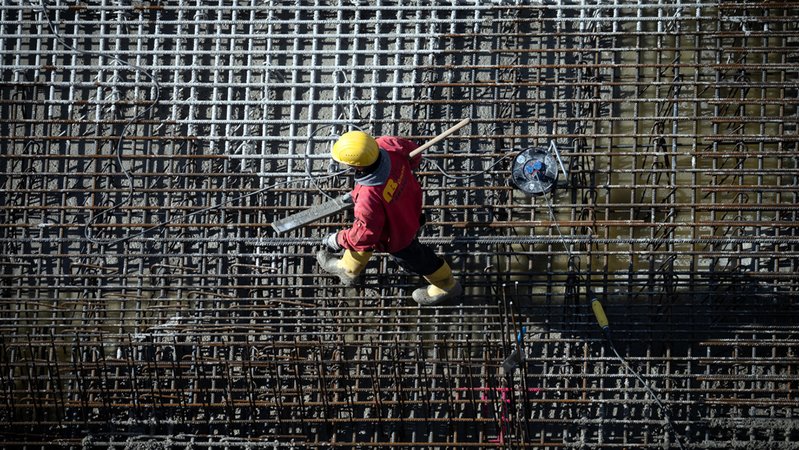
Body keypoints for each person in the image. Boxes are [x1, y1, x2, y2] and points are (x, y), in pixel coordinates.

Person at [316, 130, 462, 306]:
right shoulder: (387, 144)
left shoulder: (368, 197)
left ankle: (447, 285)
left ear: (358, 166)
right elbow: (414, 155)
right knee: (367, 234)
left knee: (415, 257)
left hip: (397, 235)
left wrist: (338, 239)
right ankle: (348, 270)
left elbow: (365, 235)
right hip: (410, 206)